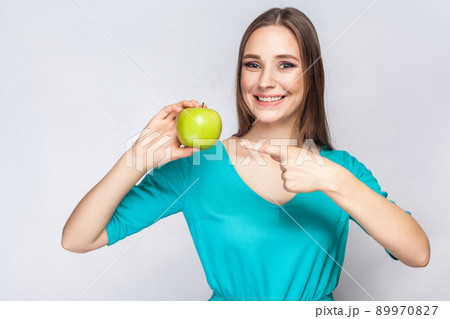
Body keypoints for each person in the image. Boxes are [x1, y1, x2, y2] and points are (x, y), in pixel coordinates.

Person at [62, 7, 430, 301]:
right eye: (252, 64)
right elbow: (78, 239)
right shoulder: (199, 166)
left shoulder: (341, 171)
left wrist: (335, 181)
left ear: (311, 76)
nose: (265, 81)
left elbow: (417, 253)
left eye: (285, 64)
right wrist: (135, 160)